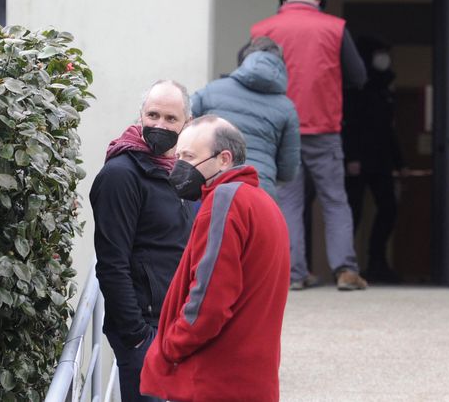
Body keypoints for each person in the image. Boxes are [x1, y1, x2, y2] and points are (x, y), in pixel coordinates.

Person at [141, 116, 290, 402]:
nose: (179, 165)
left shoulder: (225, 201)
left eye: (189, 156)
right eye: (178, 156)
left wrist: (168, 346)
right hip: (248, 380)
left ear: (224, 159)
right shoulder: (262, 202)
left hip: (214, 381)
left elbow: (209, 299)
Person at [251, 0, 370, 291]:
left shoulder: (264, 30)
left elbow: (247, 70)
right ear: (317, 1)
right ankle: (345, 270)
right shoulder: (335, 27)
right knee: (334, 200)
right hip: (324, 126)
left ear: (286, 0)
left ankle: (294, 273)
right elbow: (358, 76)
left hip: (280, 127)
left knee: (289, 200)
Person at [89, 80, 196, 402]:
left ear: (186, 124)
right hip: (145, 331)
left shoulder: (181, 173)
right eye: (153, 115)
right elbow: (111, 263)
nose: (159, 125)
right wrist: (137, 335)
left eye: (170, 119)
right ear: (140, 117)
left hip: (177, 324)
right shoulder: (121, 175)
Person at [190, 36, 300, 199]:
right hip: (260, 193)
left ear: (244, 60)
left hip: (213, 187)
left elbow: (181, 124)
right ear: (280, 67)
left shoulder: (210, 91)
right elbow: (288, 171)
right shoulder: (287, 108)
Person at [342, 36, 406, 283]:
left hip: (381, 161)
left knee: (388, 209)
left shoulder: (384, 86)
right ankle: (347, 265)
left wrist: (400, 163)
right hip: (357, 162)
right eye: (380, 52)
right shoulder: (354, 87)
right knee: (353, 213)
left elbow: (388, 130)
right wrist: (351, 157)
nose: (384, 58)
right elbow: (349, 125)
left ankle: (377, 260)